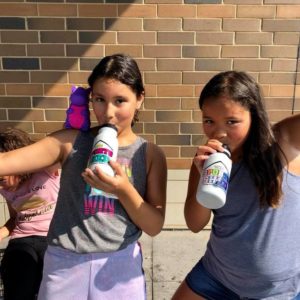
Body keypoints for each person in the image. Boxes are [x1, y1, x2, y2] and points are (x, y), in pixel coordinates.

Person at [0, 54, 167, 300]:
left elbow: (154, 225)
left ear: (140, 98)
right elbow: (6, 162)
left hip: (119, 266)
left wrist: (123, 189)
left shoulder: (149, 154)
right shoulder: (71, 142)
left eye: (120, 100)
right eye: (99, 99)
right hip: (65, 263)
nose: (108, 112)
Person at [172, 71, 300, 300]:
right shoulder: (204, 160)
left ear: (254, 116)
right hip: (217, 275)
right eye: (209, 121)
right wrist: (203, 177)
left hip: (274, 291)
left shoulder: (283, 142)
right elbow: (194, 223)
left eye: (232, 122)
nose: (219, 133)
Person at [0, 128, 60, 300]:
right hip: (22, 239)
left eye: (1, 179)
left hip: (52, 237)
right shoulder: (6, 190)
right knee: (18, 278)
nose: (0, 187)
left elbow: (60, 145)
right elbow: (15, 220)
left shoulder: (46, 171)